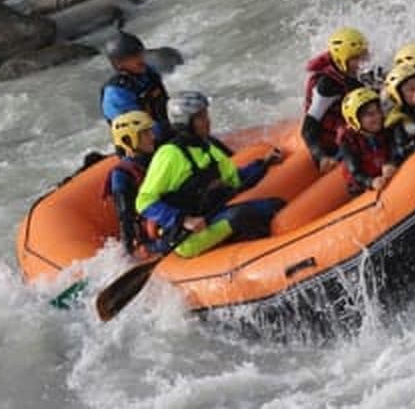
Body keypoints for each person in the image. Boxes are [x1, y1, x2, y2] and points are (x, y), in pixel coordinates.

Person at [136, 91, 284, 258]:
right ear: (185, 123)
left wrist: (264, 164)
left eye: (206, 115)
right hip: (185, 238)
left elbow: (237, 181)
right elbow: (144, 201)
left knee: (275, 205)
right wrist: (184, 220)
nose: (207, 121)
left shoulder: (210, 150)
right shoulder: (169, 155)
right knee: (242, 215)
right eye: (200, 117)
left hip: (212, 219)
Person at [301, 27, 370, 174]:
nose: (362, 62)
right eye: (356, 58)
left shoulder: (351, 70)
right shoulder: (327, 86)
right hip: (333, 144)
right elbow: (308, 128)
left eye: (363, 55)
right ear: (342, 59)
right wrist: (321, 156)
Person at [104, 110, 157, 257]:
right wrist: (133, 248)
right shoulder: (122, 175)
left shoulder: (158, 158)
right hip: (151, 232)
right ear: (129, 140)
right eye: (146, 134)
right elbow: (125, 217)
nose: (152, 137)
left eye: (150, 132)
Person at [100, 31, 171, 141]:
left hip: (164, 133)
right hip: (141, 145)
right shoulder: (116, 93)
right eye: (133, 56)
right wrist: (169, 129)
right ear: (119, 64)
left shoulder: (149, 74)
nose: (140, 58)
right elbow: (135, 129)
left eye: (140, 53)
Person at [339, 87, 399, 196]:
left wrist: (392, 163)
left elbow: (396, 148)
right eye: (370, 114)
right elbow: (356, 173)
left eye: (378, 111)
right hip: (362, 188)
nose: (377, 117)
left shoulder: (387, 129)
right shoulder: (348, 142)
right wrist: (371, 182)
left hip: (385, 174)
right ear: (355, 120)